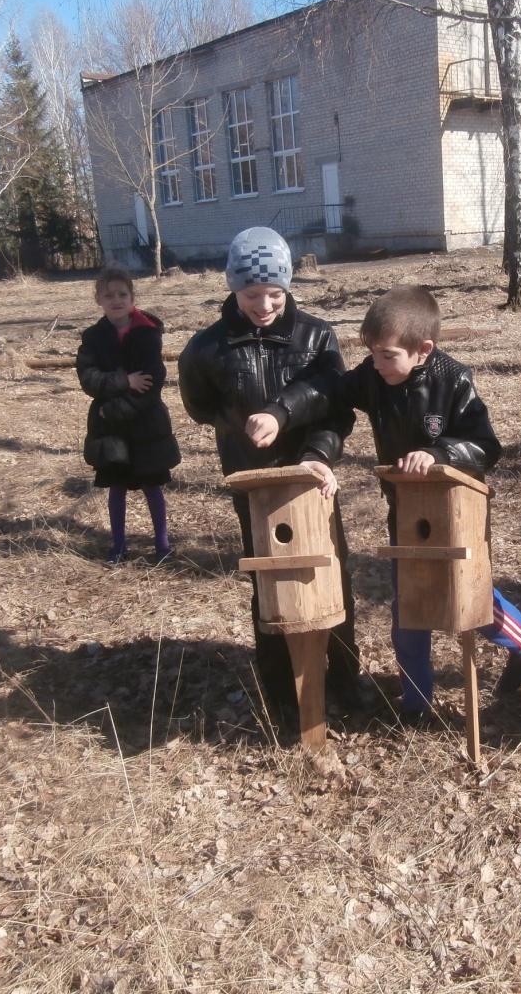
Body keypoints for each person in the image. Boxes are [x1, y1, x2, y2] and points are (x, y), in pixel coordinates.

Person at [257, 285, 521, 726]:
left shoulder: (453, 379)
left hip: (455, 512)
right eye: (371, 354)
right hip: (403, 511)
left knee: (466, 597)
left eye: (387, 355)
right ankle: (415, 704)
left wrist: (440, 452)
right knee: (408, 608)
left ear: (423, 349)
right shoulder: (375, 378)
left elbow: (487, 446)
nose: (376, 363)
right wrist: (281, 411)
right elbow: (329, 391)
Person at [178, 227, 365, 724]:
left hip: (311, 477)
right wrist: (237, 428)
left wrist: (312, 445)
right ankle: (281, 690)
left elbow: (335, 403)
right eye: (251, 294)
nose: (264, 305)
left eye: (274, 294)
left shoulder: (316, 336)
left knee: (332, 576)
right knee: (269, 583)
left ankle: (345, 681)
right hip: (254, 484)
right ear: (232, 289)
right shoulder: (207, 348)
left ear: (288, 288)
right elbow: (199, 405)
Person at [77, 267, 181, 565]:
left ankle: (162, 545)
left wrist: (117, 407)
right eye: (108, 295)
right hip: (110, 431)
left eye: (122, 294)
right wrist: (123, 380)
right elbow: (89, 379)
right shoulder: (93, 338)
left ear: (132, 297)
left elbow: (151, 380)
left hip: (146, 424)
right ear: (98, 299)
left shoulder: (148, 333)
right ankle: (119, 545)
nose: (116, 300)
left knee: (152, 486)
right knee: (117, 487)